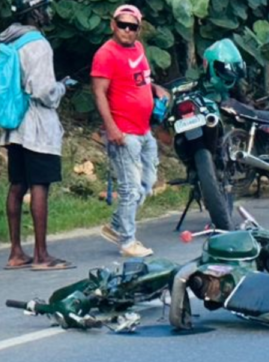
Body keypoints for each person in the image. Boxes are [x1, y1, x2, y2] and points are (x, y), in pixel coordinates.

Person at [0, 0, 74, 271]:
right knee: (40, 184)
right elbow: (43, 92)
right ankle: (41, 255)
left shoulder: (9, 41)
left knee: (17, 185)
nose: (49, 12)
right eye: (45, 8)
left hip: (14, 124)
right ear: (36, 13)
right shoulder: (38, 44)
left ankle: (16, 252)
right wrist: (61, 88)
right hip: (37, 125)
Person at [91, 4, 170, 258]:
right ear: (113, 25)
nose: (127, 30)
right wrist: (112, 128)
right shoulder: (106, 54)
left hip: (144, 129)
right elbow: (99, 93)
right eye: (122, 24)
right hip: (124, 131)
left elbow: (139, 79)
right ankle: (127, 241)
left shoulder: (138, 49)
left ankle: (116, 225)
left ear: (138, 28)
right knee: (130, 188)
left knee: (147, 183)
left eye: (132, 26)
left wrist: (154, 88)